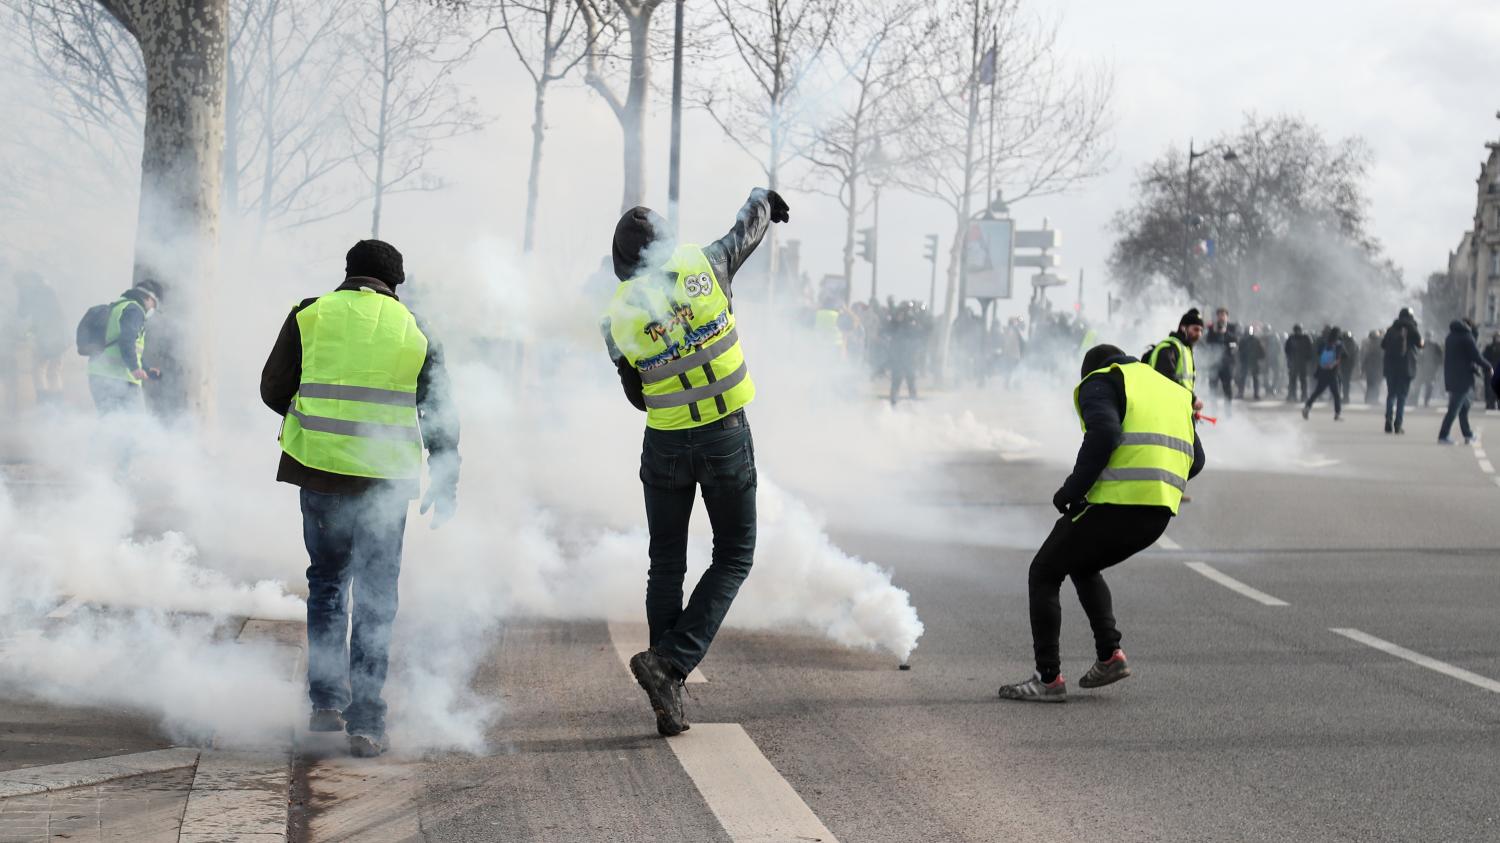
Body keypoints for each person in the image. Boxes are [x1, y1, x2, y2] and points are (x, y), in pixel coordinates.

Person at [260, 239, 460, 758]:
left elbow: (272, 388)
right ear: (395, 284)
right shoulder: (415, 328)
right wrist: (446, 475)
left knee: (327, 583)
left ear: (347, 272)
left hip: (320, 474)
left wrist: (309, 414)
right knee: (375, 598)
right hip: (384, 484)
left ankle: (326, 701)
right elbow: (438, 411)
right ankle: (366, 722)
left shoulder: (310, 315)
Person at [601, 188, 786, 736]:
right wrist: (762, 199)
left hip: (665, 444)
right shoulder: (705, 265)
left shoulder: (617, 317)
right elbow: (745, 231)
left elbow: (636, 395)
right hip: (725, 434)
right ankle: (671, 664)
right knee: (734, 555)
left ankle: (667, 690)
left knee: (666, 564)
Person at [997, 344, 1204, 702]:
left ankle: (1048, 679)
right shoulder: (1172, 391)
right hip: (1159, 513)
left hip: (1117, 504)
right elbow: (1197, 460)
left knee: (1044, 571)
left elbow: (1104, 433)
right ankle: (1110, 656)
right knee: (1082, 563)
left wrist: (1071, 490)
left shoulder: (1102, 380)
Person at [86, 279, 163, 415]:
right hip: (119, 379)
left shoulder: (119, 306)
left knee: (111, 424)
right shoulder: (135, 310)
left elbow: (128, 345)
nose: (153, 309)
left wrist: (145, 368)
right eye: (154, 304)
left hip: (99, 375)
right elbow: (126, 340)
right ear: (149, 298)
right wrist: (134, 368)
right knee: (132, 427)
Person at [1438, 319, 1491, 445]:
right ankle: (1443, 435)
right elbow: (1476, 356)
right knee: (1454, 409)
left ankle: (1467, 434)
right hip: (1462, 379)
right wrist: (1488, 367)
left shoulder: (1450, 337)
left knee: (1464, 407)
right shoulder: (1467, 337)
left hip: (1452, 376)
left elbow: (1461, 358)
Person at [16, 272, 66, 406]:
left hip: (45, 337)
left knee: (39, 369)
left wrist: (21, 293)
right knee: (54, 371)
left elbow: (22, 313)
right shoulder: (51, 292)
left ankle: (44, 401)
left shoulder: (31, 293)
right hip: (60, 337)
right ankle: (58, 402)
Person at [1382, 308, 1422, 434]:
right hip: (1406, 367)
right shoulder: (1412, 329)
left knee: (1391, 395)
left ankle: (1388, 420)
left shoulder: (1391, 329)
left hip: (1391, 367)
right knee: (1402, 397)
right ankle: (1398, 424)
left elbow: (1382, 345)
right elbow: (1420, 344)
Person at [1302, 326, 1345, 421]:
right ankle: (1337, 414)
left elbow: (1317, 353)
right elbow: (1342, 357)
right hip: (1332, 372)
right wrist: (1333, 364)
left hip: (1322, 371)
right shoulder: (1339, 345)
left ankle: (1307, 407)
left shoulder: (1323, 343)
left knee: (1317, 392)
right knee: (1336, 394)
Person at [1202, 307, 1238, 409]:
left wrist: (1225, 333)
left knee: (1227, 389)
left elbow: (1235, 342)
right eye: (1219, 315)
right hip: (1214, 364)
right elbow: (1207, 343)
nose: (1221, 317)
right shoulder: (1211, 328)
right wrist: (1214, 332)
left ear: (1227, 317)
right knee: (1212, 388)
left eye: (1223, 315)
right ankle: (1213, 411)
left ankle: (1228, 412)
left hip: (1227, 364)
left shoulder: (1232, 327)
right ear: (1217, 317)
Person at [1284, 324, 1313, 403]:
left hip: (1302, 363)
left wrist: (1307, 359)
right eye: (1296, 330)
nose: (1297, 331)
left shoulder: (1306, 338)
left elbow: (1310, 350)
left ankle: (1304, 396)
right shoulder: (1291, 338)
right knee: (1293, 380)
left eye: (1298, 330)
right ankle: (1292, 395)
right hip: (1294, 362)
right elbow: (1287, 350)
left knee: (1302, 380)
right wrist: (1290, 359)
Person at [1237, 324, 1265, 400]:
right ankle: (1241, 393)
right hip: (1246, 361)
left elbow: (1261, 351)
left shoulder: (1256, 340)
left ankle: (1255, 393)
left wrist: (1259, 358)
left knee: (1254, 378)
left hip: (1253, 361)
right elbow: (1240, 351)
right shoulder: (1244, 340)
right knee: (1243, 377)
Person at [1417, 338, 1443, 407]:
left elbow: (1440, 356)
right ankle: (1416, 399)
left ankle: (1426, 400)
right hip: (1423, 369)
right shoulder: (1423, 344)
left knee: (1429, 386)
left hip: (1431, 369)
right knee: (1420, 385)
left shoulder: (1435, 345)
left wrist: (1437, 365)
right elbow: (1419, 355)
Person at [1362, 329, 1384, 405]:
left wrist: (1363, 368)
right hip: (1376, 369)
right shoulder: (1378, 346)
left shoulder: (1368, 345)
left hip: (1372, 369)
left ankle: (1369, 399)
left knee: (1371, 385)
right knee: (1375, 385)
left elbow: (1365, 358)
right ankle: (1372, 399)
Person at [1339, 329, 1359, 404]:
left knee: (1343, 382)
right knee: (1345, 382)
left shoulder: (1343, 343)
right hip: (1348, 365)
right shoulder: (1353, 343)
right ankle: (1345, 397)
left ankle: (1345, 397)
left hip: (1344, 365)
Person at [1482, 332, 1500, 410]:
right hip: (1491, 371)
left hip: (1492, 371)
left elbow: (1483, 359)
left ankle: (1491, 404)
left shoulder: (1488, 347)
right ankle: (1490, 404)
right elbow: (1484, 359)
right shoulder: (1489, 348)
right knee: (1491, 388)